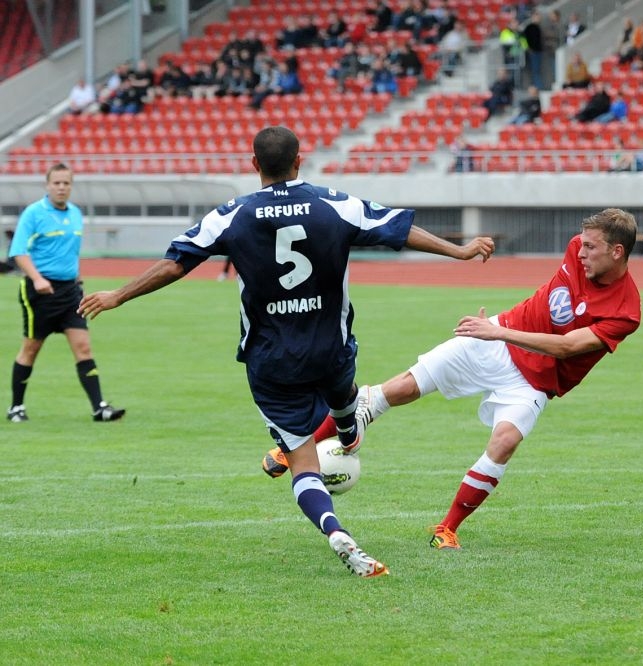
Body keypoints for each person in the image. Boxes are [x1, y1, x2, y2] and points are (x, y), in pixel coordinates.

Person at [76, 127, 496, 576]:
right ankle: (349, 427)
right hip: (330, 348)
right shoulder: (334, 203)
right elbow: (399, 229)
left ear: (254, 164)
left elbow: (176, 263)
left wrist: (118, 295)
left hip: (271, 359)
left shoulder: (232, 214)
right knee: (344, 391)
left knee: (301, 462)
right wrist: (459, 251)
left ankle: (335, 530)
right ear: (300, 160)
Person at [261, 208, 642, 551]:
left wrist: (499, 332)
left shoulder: (626, 311)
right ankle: (298, 446)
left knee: (505, 441)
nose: (580, 252)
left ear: (617, 252)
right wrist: (498, 333)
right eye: (582, 244)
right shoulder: (577, 248)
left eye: (591, 247)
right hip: (494, 341)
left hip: (532, 376)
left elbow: (568, 347)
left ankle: (447, 528)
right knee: (402, 387)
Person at [7, 163, 125, 423]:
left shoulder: (75, 213)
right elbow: (18, 252)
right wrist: (37, 278)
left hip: (70, 291)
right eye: (56, 183)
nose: (61, 187)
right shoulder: (34, 213)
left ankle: (99, 408)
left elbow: (70, 252)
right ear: (47, 185)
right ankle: (16, 407)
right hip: (40, 291)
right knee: (31, 348)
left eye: (66, 183)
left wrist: (77, 279)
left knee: (83, 347)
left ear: (71, 186)